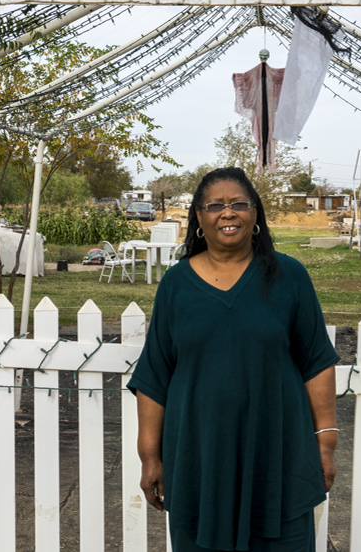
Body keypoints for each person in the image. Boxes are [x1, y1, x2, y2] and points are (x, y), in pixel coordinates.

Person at [127, 167, 339, 552]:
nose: (228, 213)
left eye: (239, 204)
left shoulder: (289, 276)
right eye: (215, 206)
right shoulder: (176, 284)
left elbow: (317, 362)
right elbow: (155, 377)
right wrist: (150, 456)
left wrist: (325, 441)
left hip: (278, 454)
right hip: (198, 457)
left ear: (255, 214)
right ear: (198, 217)